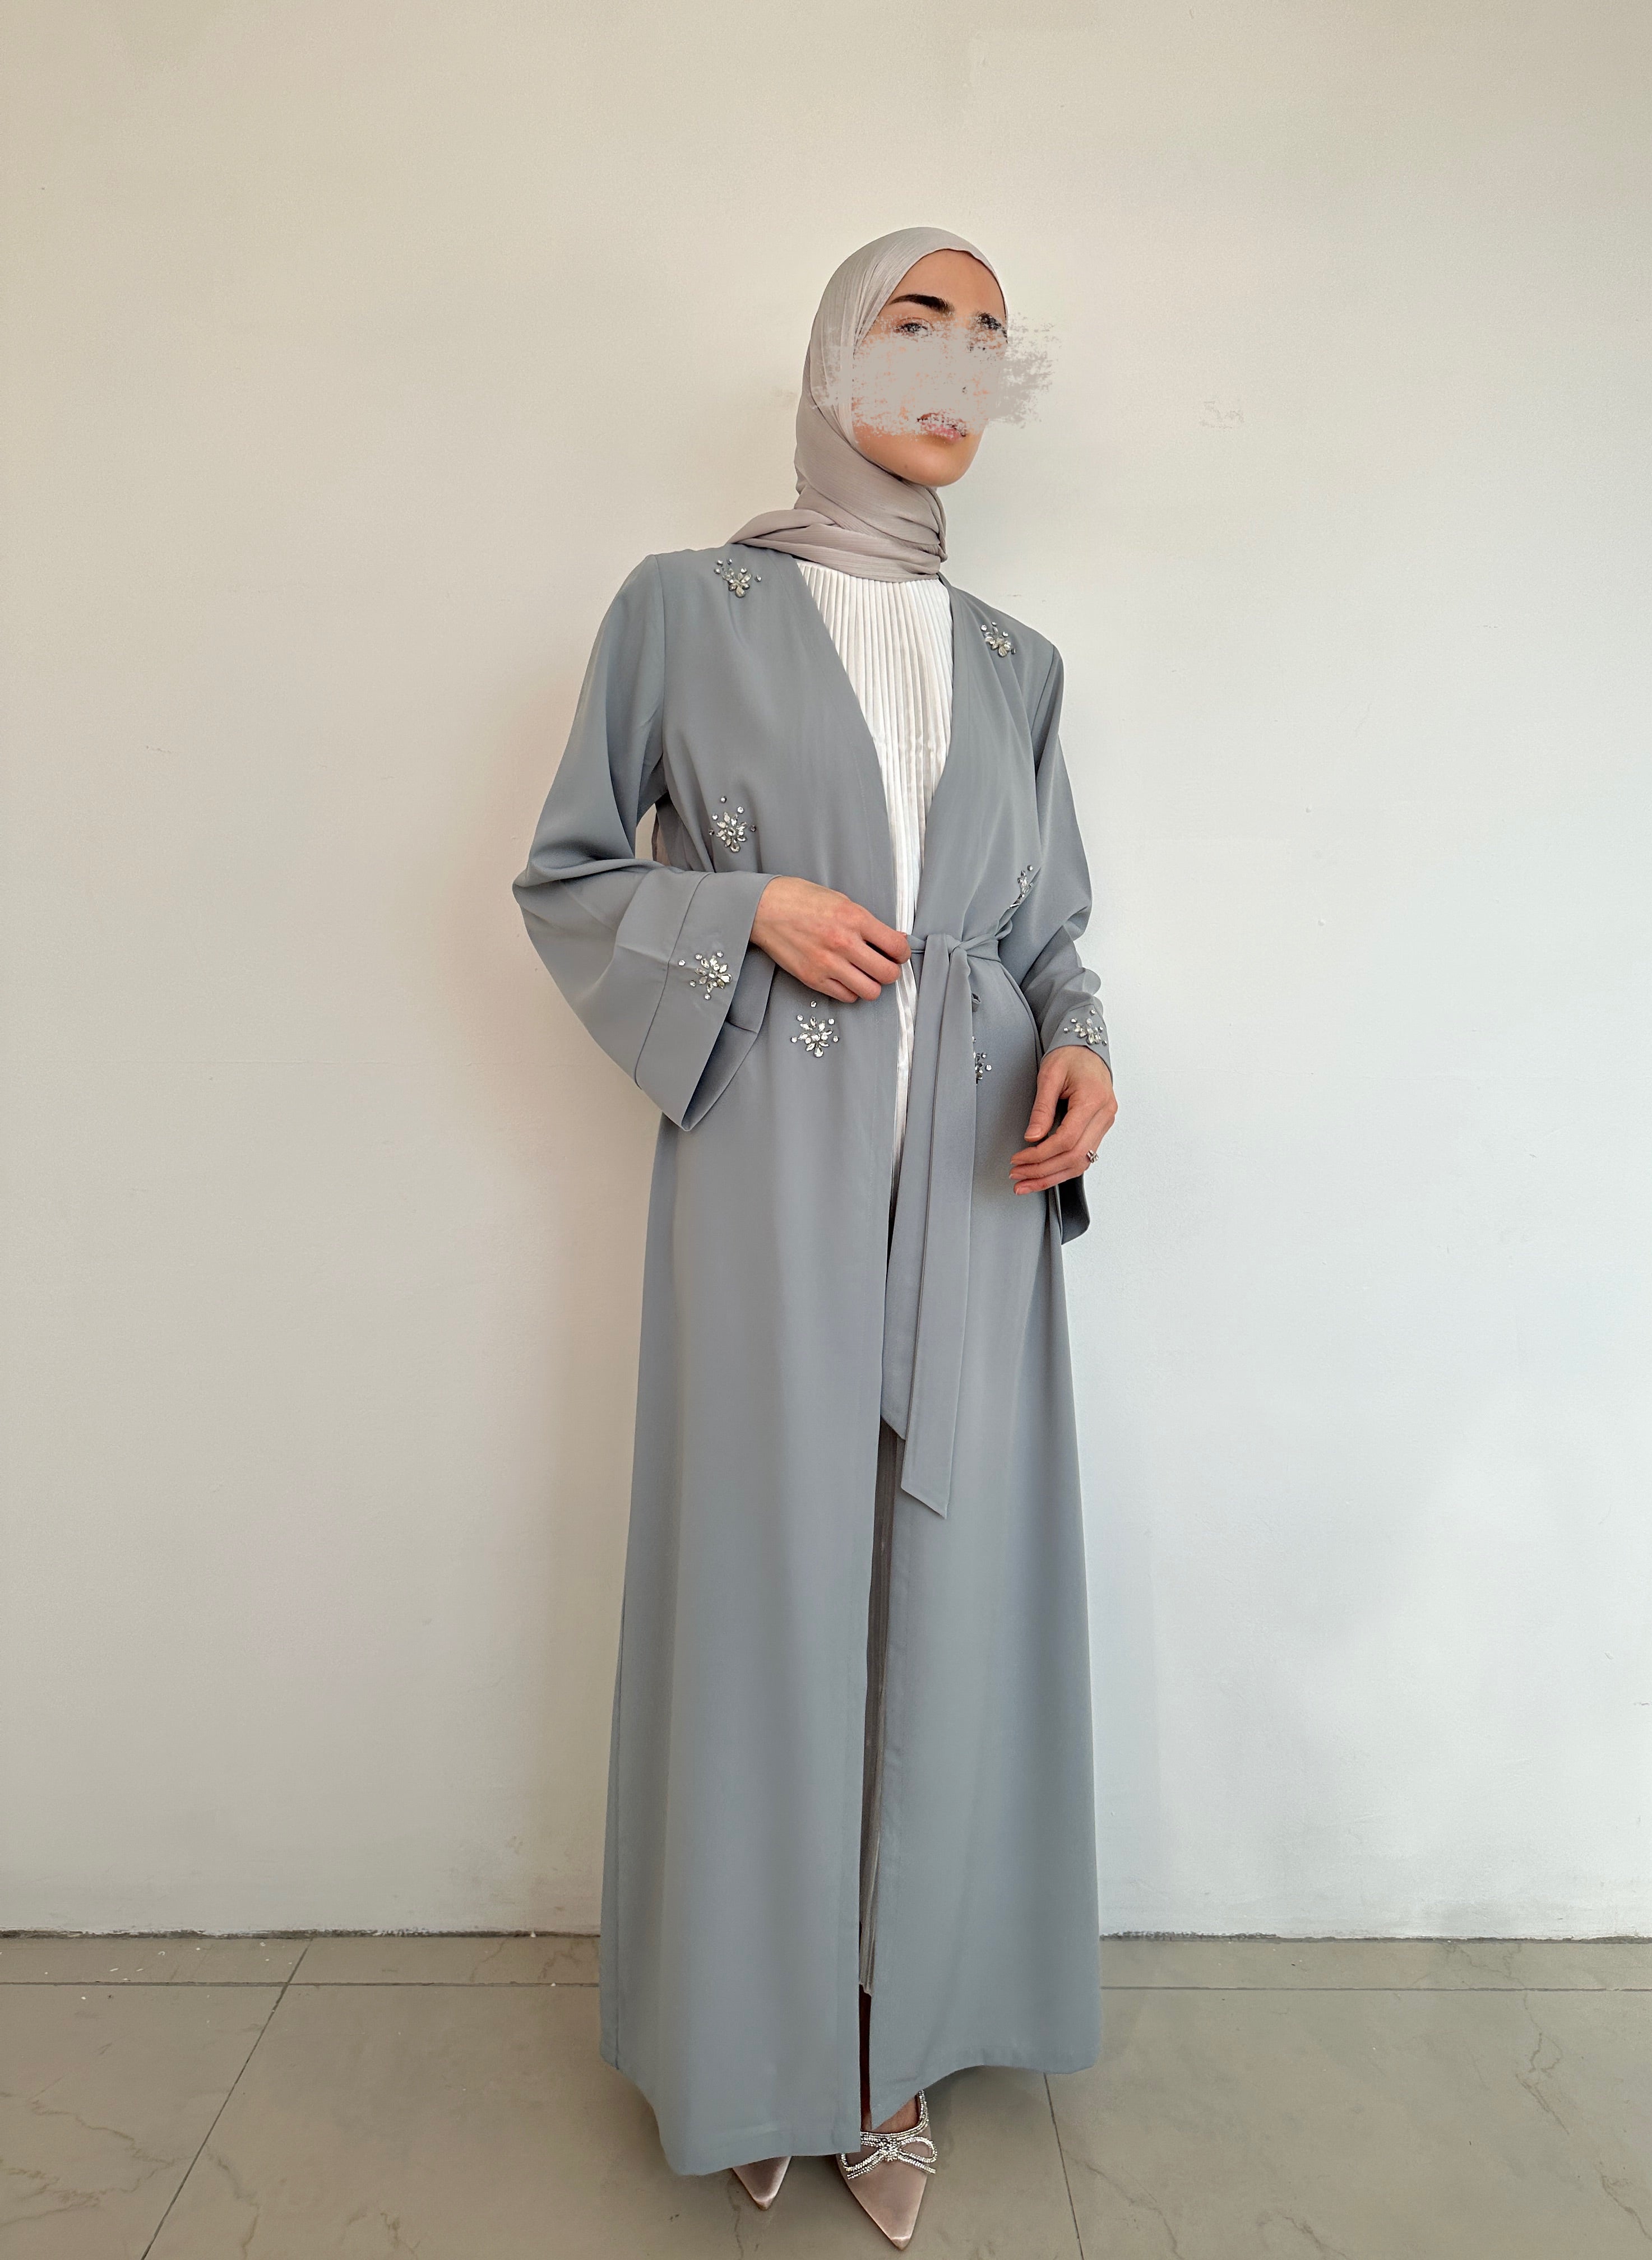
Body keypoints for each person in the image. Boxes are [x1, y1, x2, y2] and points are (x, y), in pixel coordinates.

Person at [513, 225, 1115, 2249]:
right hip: (771, 1152)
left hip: (977, 1181)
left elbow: (1050, 929)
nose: (954, 369)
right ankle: (751, 2041)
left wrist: (1084, 1048)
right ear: (835, 353)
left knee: (946, 1589)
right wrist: (743, 909)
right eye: (914, 324)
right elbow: (573, 874)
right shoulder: (685, 608)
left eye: (988, 341)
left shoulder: (1019, 664)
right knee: (766, 1580)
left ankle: (895, 2048)